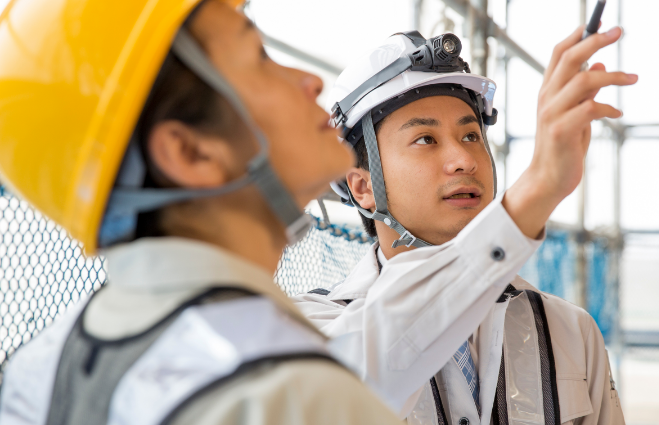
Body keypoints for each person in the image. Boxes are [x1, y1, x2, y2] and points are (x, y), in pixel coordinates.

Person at [0, 1, 404, 424]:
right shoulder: (290, 397)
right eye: (260, 57)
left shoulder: (36, 372)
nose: (311, 80)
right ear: (190, 152)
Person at [293, 27, 637, 425]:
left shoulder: (570, 330)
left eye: (471, 135)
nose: (463, 159)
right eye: (425, 139)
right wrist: (538, 187)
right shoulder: (311, 329)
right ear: (363, 187)